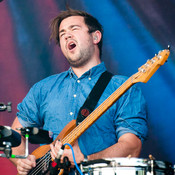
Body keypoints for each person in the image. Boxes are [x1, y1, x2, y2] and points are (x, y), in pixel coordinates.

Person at [11, 9, 148, 175]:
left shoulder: (125, 88)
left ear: (96, 37)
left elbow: (131, 147)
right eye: (62, 34)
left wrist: (85, 159)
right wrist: (21, 161)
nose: (67, 35)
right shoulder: (43, 88)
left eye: (74, 29)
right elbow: (14, 134)